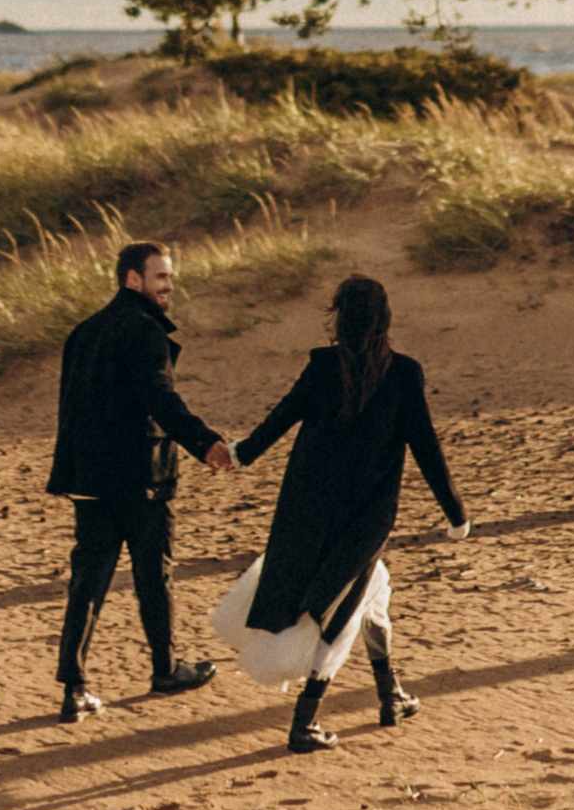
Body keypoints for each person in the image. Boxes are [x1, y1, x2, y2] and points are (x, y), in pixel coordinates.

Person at [211, 272, 467, 754]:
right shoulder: (404, 373)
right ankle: (304, 722)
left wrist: (241, 453)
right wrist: (455, 513)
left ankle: (390, 694)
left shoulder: (324, 367)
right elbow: (427, 447)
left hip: (309, 508)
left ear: (339, 319)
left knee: (372, 595)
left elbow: (280, 417)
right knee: (341, 609)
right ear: (386, 320)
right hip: (365, 517)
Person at [47, 239, 233, 722]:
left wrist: (68, 473)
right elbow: (161, 402)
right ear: (134, 279)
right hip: (141, 480)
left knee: (87, 583)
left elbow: (69, 411)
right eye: (161, 278)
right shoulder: (145, 331)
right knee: (155, 576)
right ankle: (165, 668)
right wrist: (206, 443)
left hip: (89, 479)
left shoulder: (83, 332)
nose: (170, 286)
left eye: (169, 278)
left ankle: (74, 688)